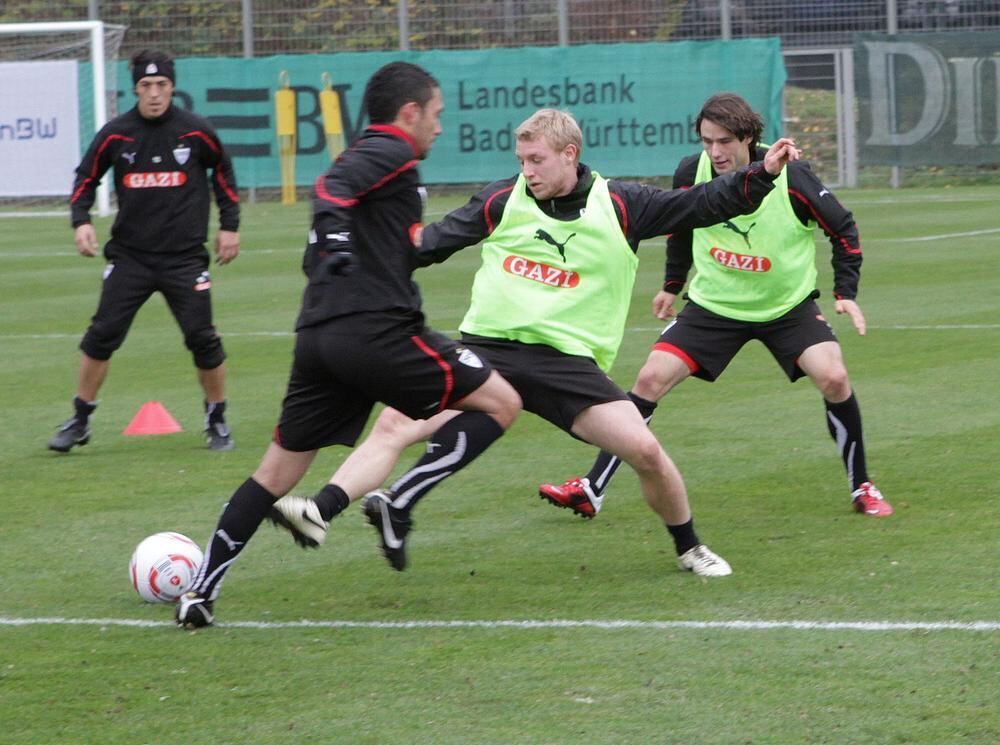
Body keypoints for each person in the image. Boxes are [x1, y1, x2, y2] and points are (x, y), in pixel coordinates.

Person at [269, 108, 800, 582]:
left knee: (646, 452)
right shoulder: (502, 198)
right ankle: (321, 509)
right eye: (522, 159)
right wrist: (354, 263)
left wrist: (763, 174)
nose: (527, 170)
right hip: (489, 351)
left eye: (537, 159)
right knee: (395, 424)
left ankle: (690, 548)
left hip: (567, 364)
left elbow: (704, 204)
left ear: (570, 155)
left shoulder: (621, 204)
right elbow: (429, 245)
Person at [175, 61, 521, 629]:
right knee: (503, 401)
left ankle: (200, 592)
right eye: (435, 116)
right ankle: (400, 501)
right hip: (378, 333)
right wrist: (336, 239)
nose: (439, 128)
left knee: (274, 476)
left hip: (320, 337)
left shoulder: (382, 168)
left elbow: (402, 243)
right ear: (409, 113)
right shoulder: (388, 151)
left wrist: (474, 217)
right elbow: (330, 190)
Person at [539, 93, 892, 519]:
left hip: (786, 307)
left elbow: (844, 228)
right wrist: (672, 284)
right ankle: (591, 488)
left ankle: (862, 486)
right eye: (707, 141)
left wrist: (845, 293)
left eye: (724, 141)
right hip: (713, 308)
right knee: (650, 379)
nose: (715, 152)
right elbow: (679, 224)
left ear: (747, 137)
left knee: (834, 377)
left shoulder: (793, 176)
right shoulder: (692, 171)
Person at [48, 49, 240, 453]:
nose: (154, 93)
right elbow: (86, 177)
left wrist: (229, 226)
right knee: (101, 336)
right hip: (131, 257)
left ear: (172, 87)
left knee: (203, 339)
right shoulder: (117, 134)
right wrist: (81, 219)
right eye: (146, 86)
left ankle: (216, 419)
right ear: (135, 88)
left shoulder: (196, 131)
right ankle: (80, 419)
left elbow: (223, 172)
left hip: (185, 259)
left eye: (162, 85)